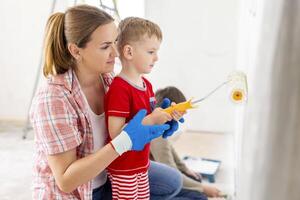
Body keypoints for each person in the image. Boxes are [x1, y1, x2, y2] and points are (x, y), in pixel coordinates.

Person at [29, 5, 183, 200]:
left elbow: (135, 123)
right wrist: (123, 141)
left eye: (115, 42)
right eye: (105, 47)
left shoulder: (109, 79)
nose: (116, 53)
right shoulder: (53, 99)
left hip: (109, 173)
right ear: (76, 51)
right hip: (77, 192)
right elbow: (66, 181)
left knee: (171, 182)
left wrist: (160, 116)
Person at [104, 17, 183, 199]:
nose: (156, 57)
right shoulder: (119, 89)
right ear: (129, 52)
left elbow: (149, 120)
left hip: (141, 164)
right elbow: (116, 134)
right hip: (123, 168)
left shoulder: (146, 85)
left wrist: (167, 115)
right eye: (151, 51)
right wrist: (152, 120)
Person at [152, 86, 225, 199]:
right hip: (156, 183)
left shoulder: (163, 128)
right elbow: (171, 173)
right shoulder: (158, 135)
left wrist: (185, 169)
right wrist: (203, 188)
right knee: (198, 196)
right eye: (182, 111)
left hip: (163, 175)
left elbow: (170, 150)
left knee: (195, 179)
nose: (184, 114)